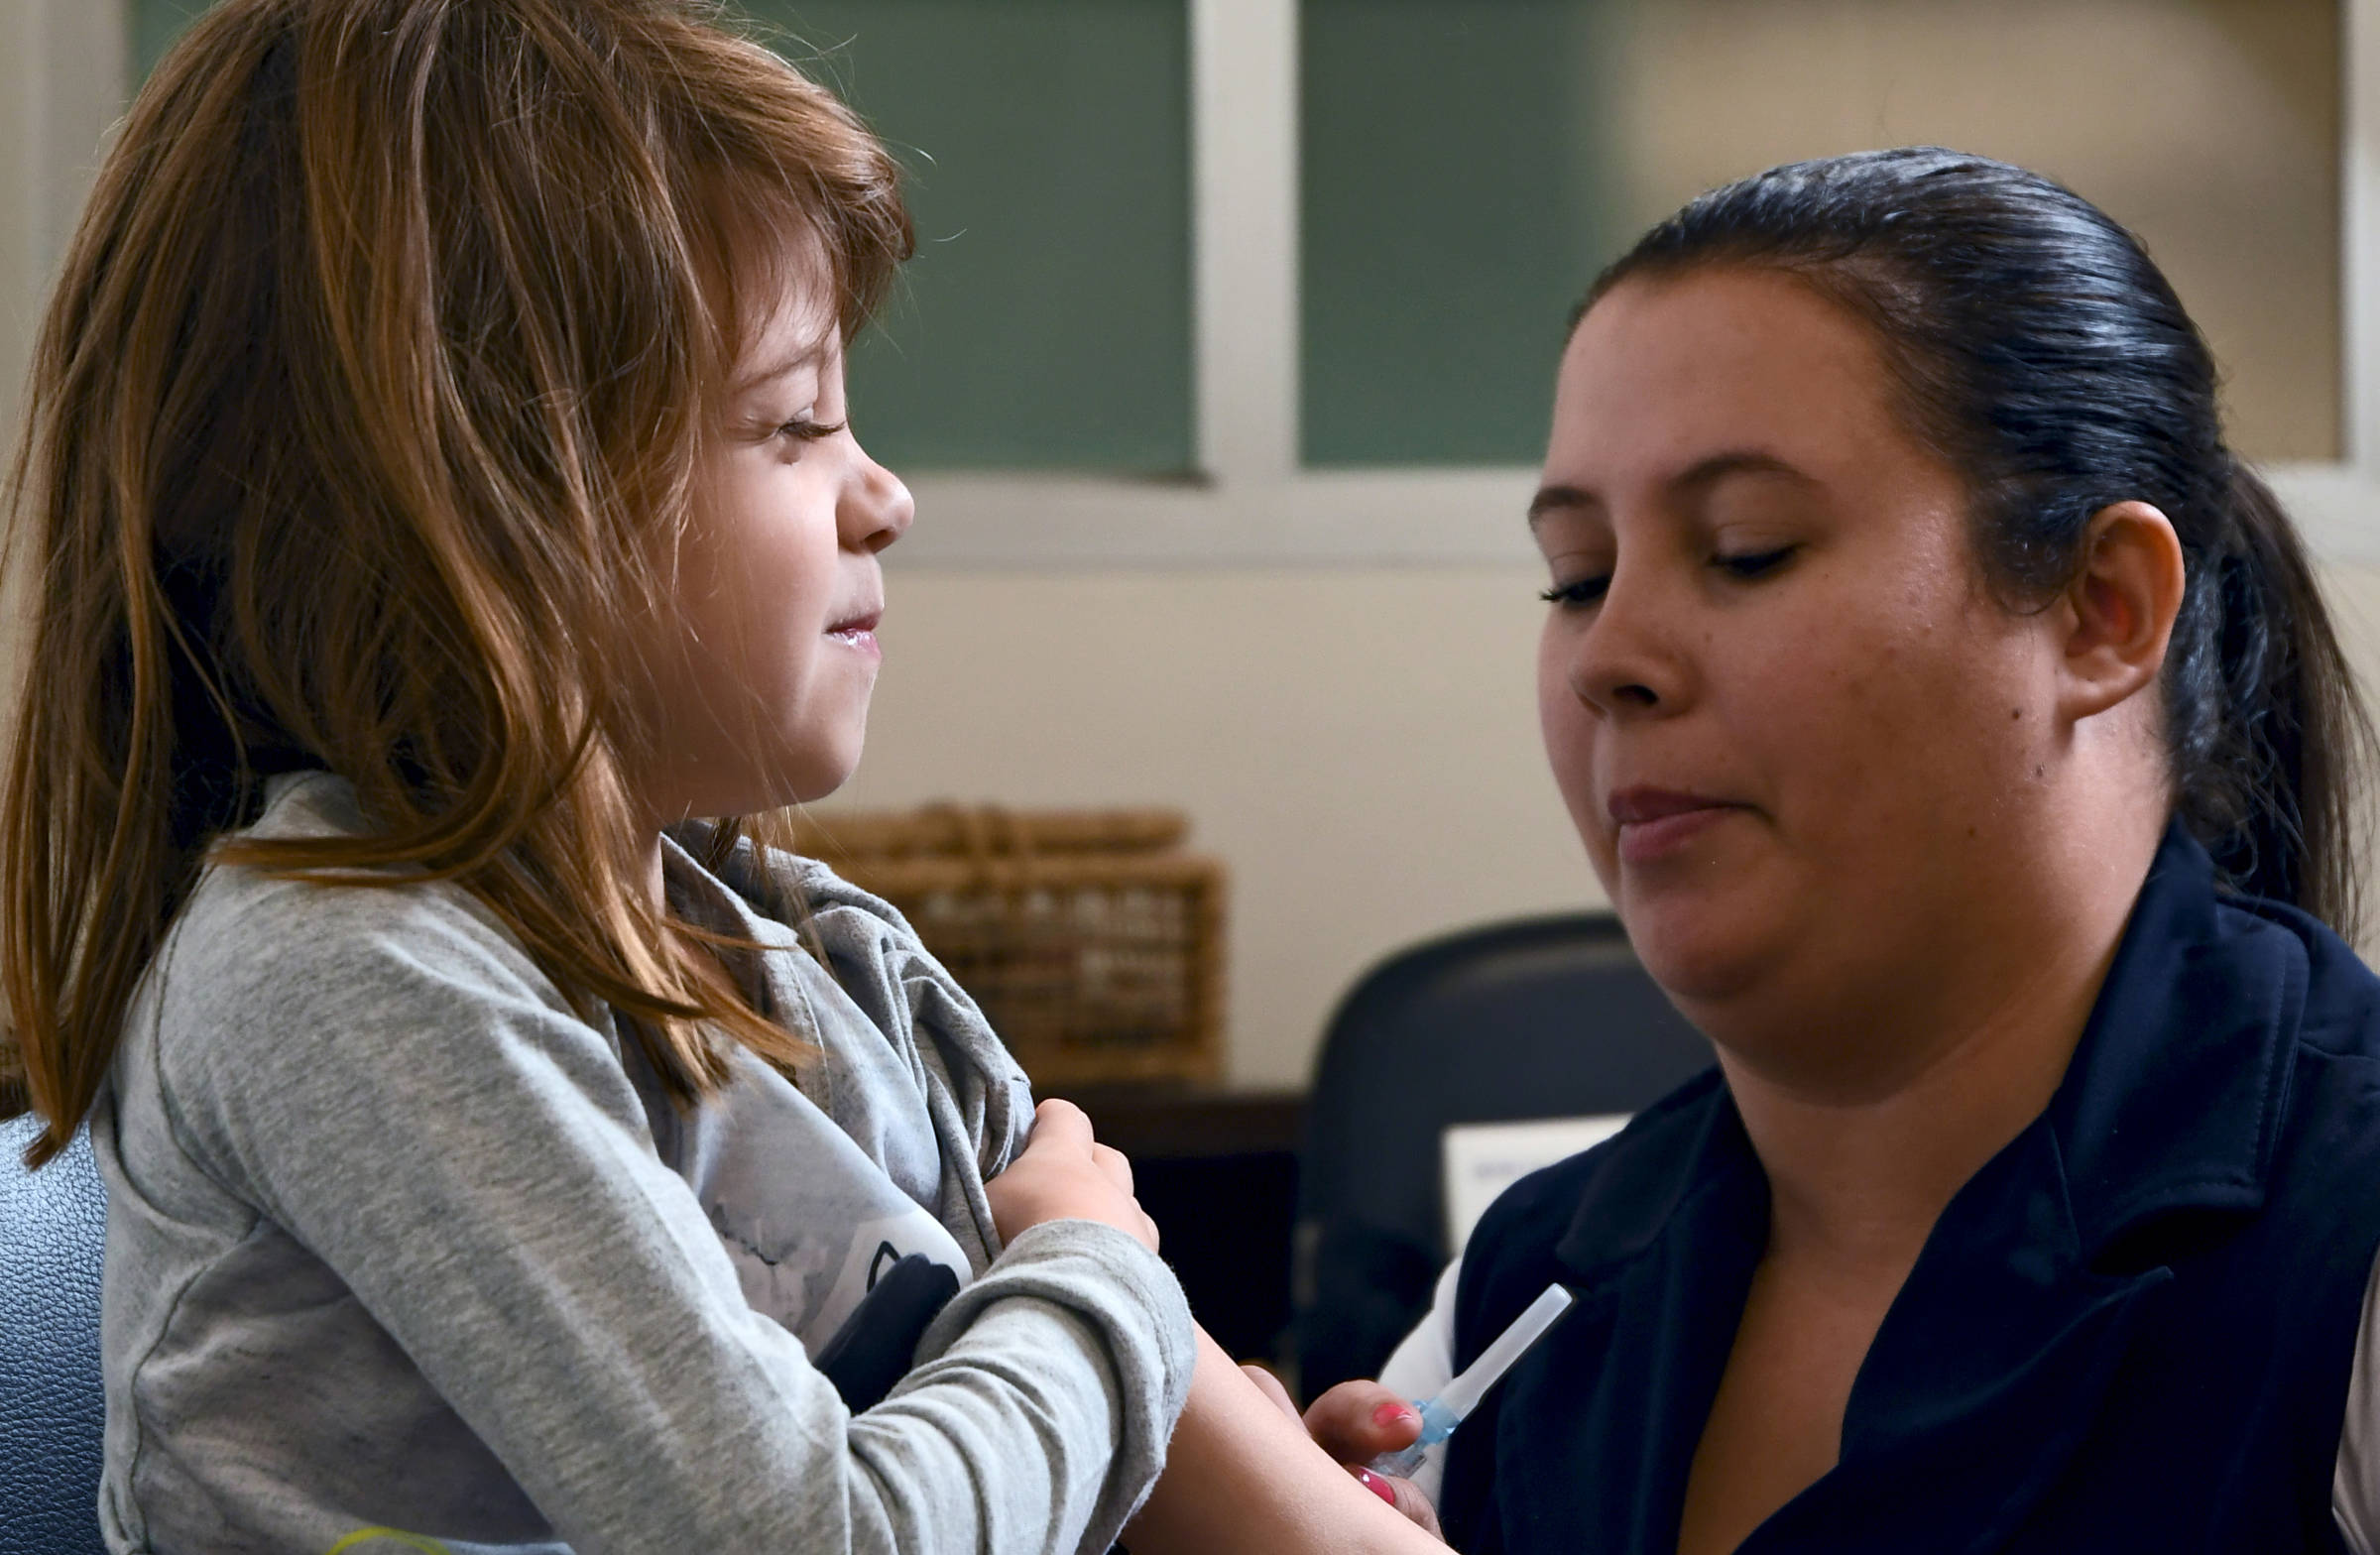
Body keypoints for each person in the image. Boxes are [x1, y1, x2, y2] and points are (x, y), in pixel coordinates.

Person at [0, 2, 1211, 1548]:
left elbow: (950, 1435)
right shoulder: (342, 971)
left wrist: (1139, 1443)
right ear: (493, 500)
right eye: (794, 422)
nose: (885, 496)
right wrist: (1103, 1282)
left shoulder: (760, 958)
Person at [1290, 148, 2380, 1554]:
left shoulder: (2339, 1247)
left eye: (1746, 551)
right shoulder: (1523, 1295)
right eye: (1578, 576)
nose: (1610, 656)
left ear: (2103, 608)